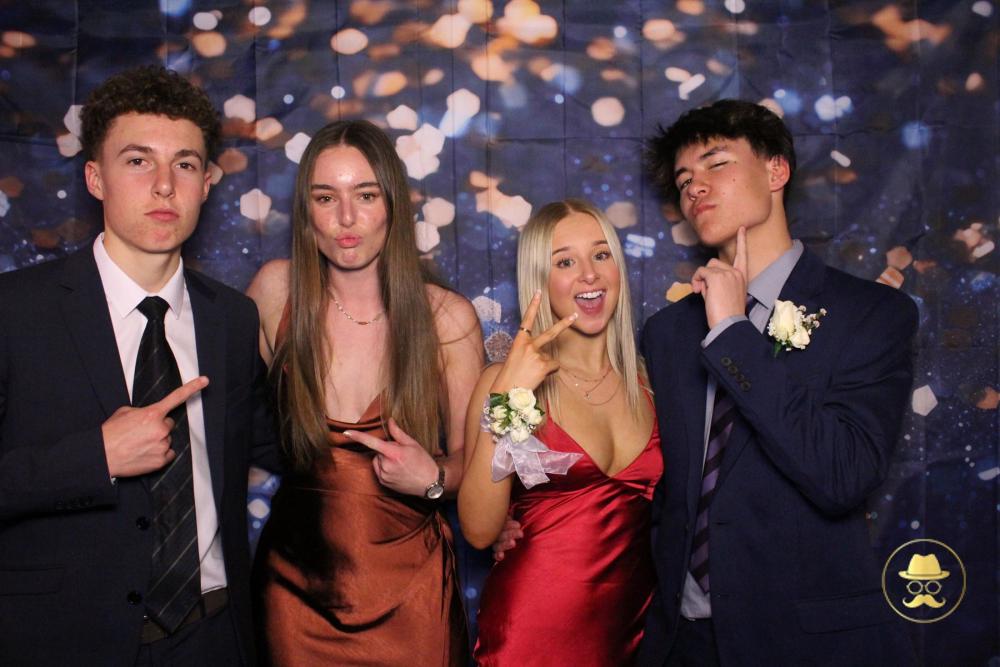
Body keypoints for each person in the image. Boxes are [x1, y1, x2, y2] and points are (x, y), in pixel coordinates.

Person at [0, 65, 279, 666]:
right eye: (137, 161)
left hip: (213, 639)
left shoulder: (232, 319)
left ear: (207, 182)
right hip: (62, 644)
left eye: (184, 164)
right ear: (95, 177)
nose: (163, 186)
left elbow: (282, 444)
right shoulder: (14, 312)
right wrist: (94, 457)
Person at [636, 99, 918, 666]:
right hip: (681, 643)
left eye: (716, 164)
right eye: (684, 180)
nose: (695, 188)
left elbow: (842, 474)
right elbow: (659, 486)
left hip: (802, 644)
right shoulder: (667, 332)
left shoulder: (871, 314)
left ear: (776, 171)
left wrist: (732, 332)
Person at [247, 119, 483, 666]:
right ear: (306, 211)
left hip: (411, 594)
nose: (347, 218)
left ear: (393, 204)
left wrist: (432, 479)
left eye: (366, 195)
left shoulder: (447, 317)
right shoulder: (275, 291)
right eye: (326, 197)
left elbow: (473, 466)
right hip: (294, 593)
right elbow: (225, 427)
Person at [459, 199, 662, 666]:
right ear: (540, 280)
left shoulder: (652, 382)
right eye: (565, 262)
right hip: (531, 635)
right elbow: (479, 531)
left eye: (601, 255)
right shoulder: (502, 383)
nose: (589, 274)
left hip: (633, 637)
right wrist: (509, 397)